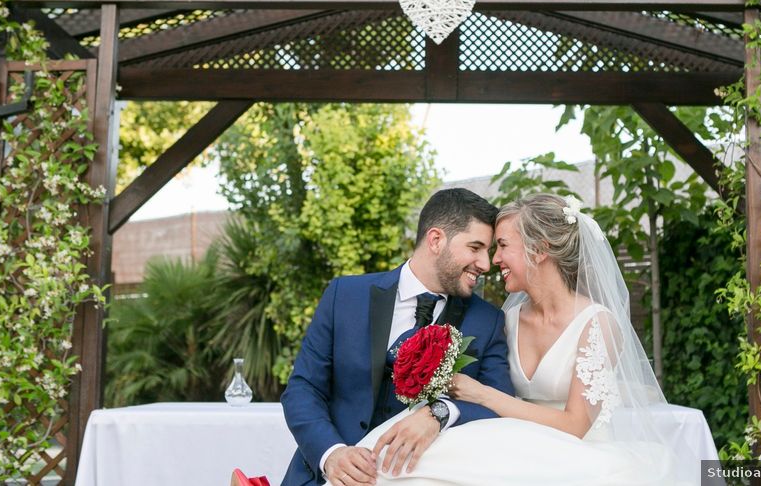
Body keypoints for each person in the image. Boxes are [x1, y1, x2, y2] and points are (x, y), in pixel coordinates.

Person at [350, 193, 688, 485]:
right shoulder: (507, 320)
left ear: (539, 250)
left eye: (503, 246)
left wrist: (483, 394)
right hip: (513, 442)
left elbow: (575, 425)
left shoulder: (597, 325)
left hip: (577, 451)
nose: (494, 260)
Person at [280, 188, 515, 486]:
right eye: (475, 247)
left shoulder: (487, 321)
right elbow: (303, 388)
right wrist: (332, 454)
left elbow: (501, 405)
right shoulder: (345, 296)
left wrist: (440, 413)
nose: (485, 263)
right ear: (436, 240)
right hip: (323, 477)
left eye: (488, 251)